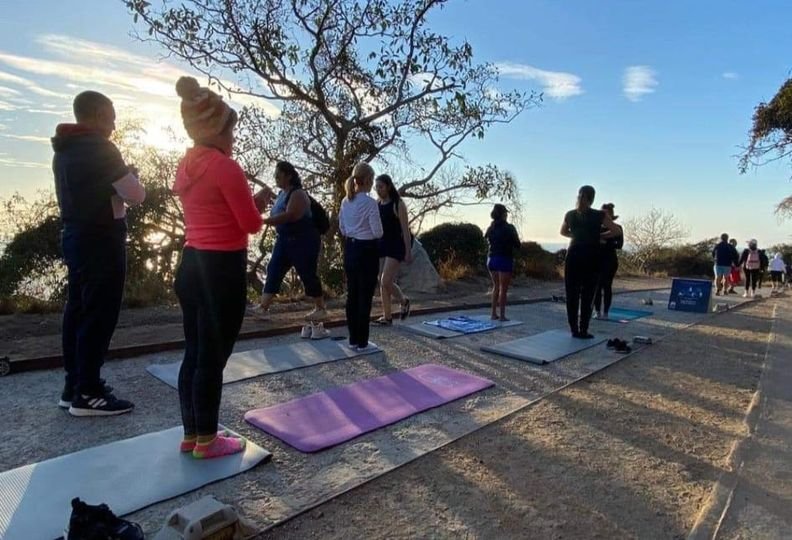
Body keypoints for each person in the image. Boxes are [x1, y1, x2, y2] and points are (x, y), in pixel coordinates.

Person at [172, 76, 270, 458]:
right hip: (222, 269)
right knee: (212, 357)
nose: (233, 136)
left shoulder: (187, 164)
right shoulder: (226, 168)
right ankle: (209, 441)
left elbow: (212, 212)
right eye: (231, 128)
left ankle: (192, 434)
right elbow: (248, 224)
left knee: (194, 353)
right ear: (218, 129)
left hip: (191, 263)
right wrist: (257, 203)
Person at [53, 91, 146, 416]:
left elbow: (91, 188)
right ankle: (89, 393)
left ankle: (74, 385)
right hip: (102, 239)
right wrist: (130, 176)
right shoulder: (100, 148)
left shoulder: (63, 150)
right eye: (110, 116)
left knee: (77, 309)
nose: (114, 124)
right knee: (99, 313)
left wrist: (115, 182)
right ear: (94, 115)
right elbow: (135, 194)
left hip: (74, 234)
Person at [258, 161, 327, 323]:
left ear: (288, 176)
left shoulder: (298, 194)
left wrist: (265, 221)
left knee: (307, 273)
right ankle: (263, 307)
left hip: (303, 240)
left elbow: (291, 215)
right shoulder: (281, 194)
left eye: (278, 175)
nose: (275, 178)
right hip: (284, 241)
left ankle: (320, 308)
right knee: (274, 269)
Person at [560, 185, 619, 339]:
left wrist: (577, 235)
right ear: (592, 199)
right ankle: (583, 329)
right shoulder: (598, 215)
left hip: (573, 254)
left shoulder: (570, 214)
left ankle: (574, 329)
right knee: (588, 293)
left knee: (571, 293)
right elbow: (616, 230)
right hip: (591, 255)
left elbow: (563, 231)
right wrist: (599, 237)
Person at [340, 162, 383, 351]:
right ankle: (363, 342)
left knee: (352, 294)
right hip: (366, 250)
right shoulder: (370, 202)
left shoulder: (345, 201)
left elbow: (342, 228)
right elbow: (377, 231)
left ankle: (352, 339)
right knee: (365, 296)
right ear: (367, 180)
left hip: (350, 248)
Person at [373, 174, 413, 325]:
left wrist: (408, 252)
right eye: (376, 187)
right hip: (381, 245)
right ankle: (387, 316)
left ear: (388, 186)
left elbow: (405, 230)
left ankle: (403, 301)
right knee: (381, 281)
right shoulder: (377, 204)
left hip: (396, 246)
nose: (378, 190)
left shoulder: (398, 204)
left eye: (381, 187)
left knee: (386, 280)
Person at [484, 204, 521, 321]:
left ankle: (493, 313)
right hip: (504, 258)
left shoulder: (491, 228)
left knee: (496, 287)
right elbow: (517, 244)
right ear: (504, 214)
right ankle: (503, 315)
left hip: (491, 259)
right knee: (503, 289)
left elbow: (487, 238)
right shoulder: (509, 228)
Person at [593, 203, 624, 319]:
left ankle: (605, 312)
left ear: (610, 214)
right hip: (596, 260)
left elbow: (619, 245)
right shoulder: (596, 227)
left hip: (610, 260)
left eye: (605, 213)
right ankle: (597, 311)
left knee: (607, 286)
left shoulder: (617, 228)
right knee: (596, 286)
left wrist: (607, 242)